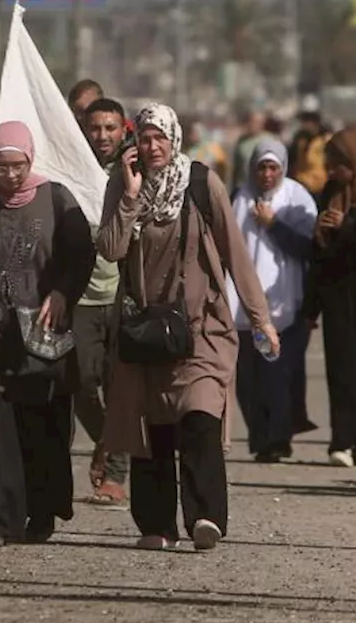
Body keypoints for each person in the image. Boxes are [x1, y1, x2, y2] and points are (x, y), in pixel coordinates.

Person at [97, 103, 276, 552]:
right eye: (145, 137)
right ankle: (157, 525)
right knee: (153, 429)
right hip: (144, 331)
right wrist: (131, 196)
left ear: (174, 138)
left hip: (201, 329)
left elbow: (235, 253)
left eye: (160, 136)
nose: (152, 146)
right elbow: (113, 248)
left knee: (199, 417)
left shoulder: (200, 183)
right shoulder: (123, 184)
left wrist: (260, 319)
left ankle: (206, 516)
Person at [0, 122, 96, 547]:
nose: (10, 175)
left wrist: (62, 291)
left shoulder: (56, 199)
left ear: (30, 159)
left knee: (39, 424)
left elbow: (81, 253)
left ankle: (40, 513)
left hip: (39, 330)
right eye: (1, 167)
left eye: (18, 165)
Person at [228, 137, 318, 462]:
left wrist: (274, 225)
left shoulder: (298, 198)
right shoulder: (239, 198)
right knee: (250, 377)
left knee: (278, 374)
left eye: (273, 167)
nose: (267, 175)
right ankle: (261, 437)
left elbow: (309, 247)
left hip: (286, 301)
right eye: (261, 167)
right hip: (245, 304)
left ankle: (278, 438)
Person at [308, 126, 356, 468]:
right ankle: (344, 438)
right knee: (340, 367)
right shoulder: (331, 193)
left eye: (339, 164)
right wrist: (323, 230)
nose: (333, 172)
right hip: (337, 294)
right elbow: (319, 252)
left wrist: (347, 227)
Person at [76, 97, 129, 506]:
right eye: (95, 128)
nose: (103, 136)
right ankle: (106, 442)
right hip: (80, 297)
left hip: (124, 297)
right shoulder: (70, 172)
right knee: (81, 383)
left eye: (110, 128)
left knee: (121, 388)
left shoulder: (134, 172)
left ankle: (115, 475)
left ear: (123, 129)